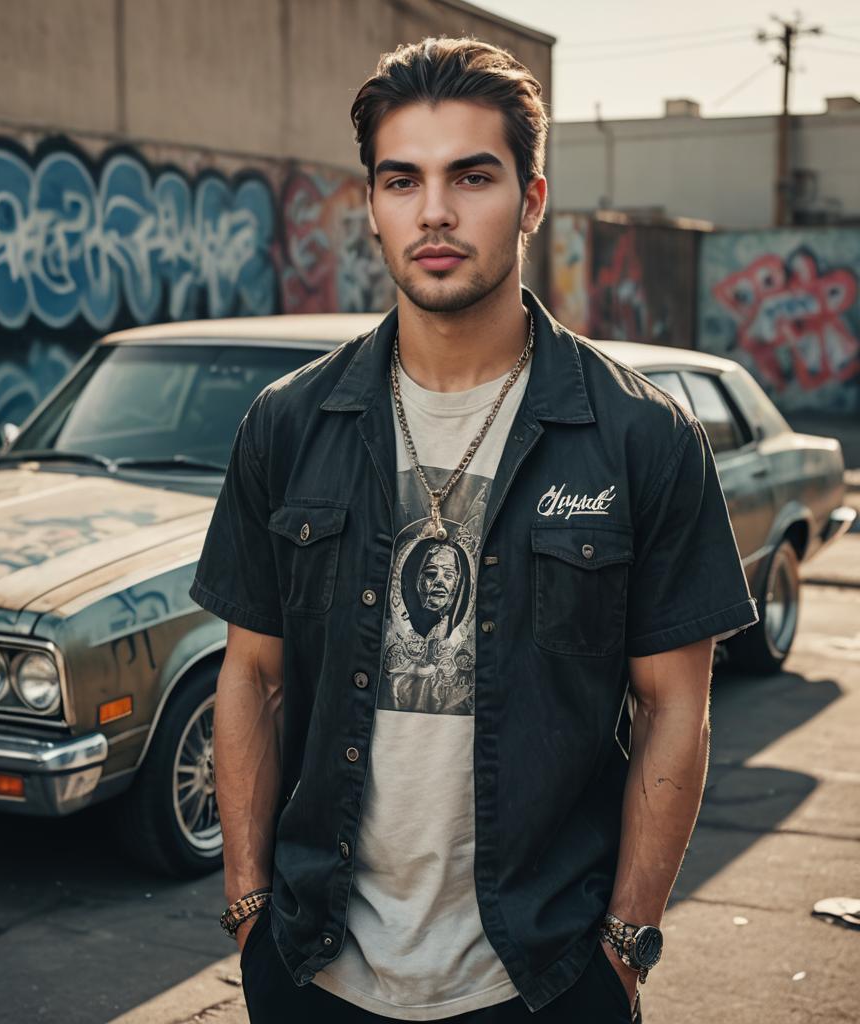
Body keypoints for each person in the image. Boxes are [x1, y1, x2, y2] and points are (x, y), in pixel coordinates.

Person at [191, 35, 758, 1023]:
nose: (436, 211)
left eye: (473, 176)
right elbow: (251, 674)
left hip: (540, 975)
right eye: (401, 179)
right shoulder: (286, 425)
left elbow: (676, 704)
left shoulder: (639, 438)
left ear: (532, 200)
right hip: (316, 969)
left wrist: (623, 945)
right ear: (370, 204)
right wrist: (248, 909)